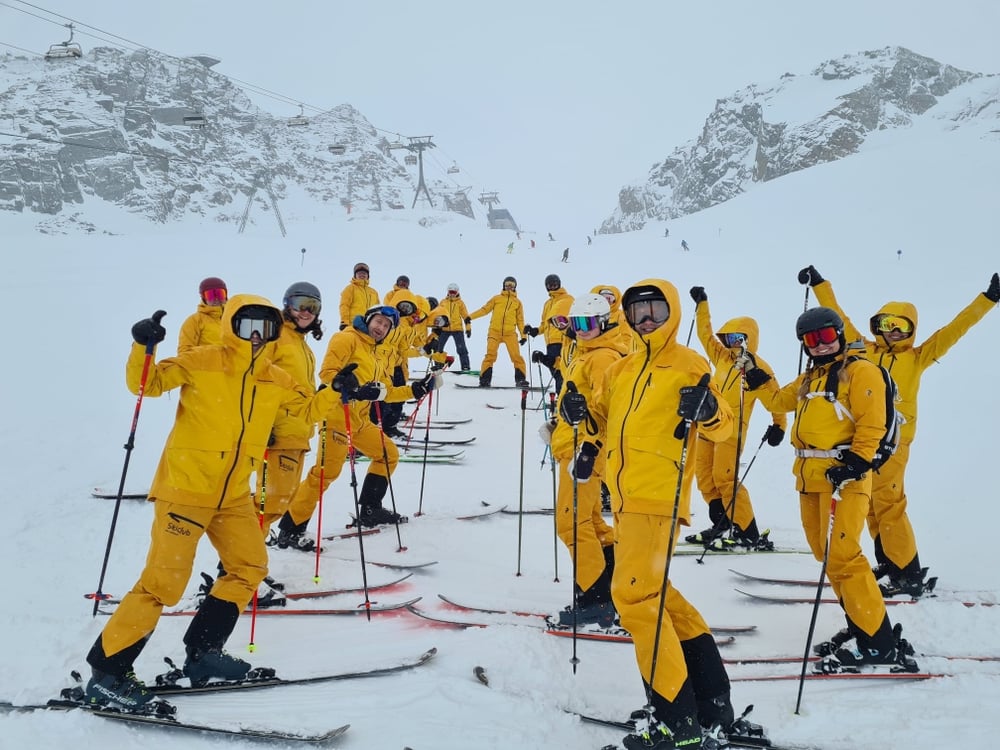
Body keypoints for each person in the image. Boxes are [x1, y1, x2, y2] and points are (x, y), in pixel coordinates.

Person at [84, 295, 341, 712]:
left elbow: (304, 411)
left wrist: (336, 393)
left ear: (275, 330)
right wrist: (143, 346)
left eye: (265, 327)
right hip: (186, 490)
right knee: (161, 584)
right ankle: (108, 673)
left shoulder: (276, 377)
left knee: (249, 566)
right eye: (246, 326)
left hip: (234, 495)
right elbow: (145, 384)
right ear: (230, 327)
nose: (256, 336)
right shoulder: (203, 360)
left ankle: (204, 652)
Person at [583, 279, 757, 750]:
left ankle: (675, 722)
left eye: (656, 310)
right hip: (623, 494)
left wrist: (708, 410)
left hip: (656, 494)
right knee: (660, 599)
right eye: (638, 312)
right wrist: (578, 408)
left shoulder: (687, 362)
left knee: (635, 601)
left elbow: (719, 423)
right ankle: (709, 704)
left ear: (672, 312)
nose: (646, 320)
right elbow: (600, 417)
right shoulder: (623, 368)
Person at [799, 266, 999, 595]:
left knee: (890, 504)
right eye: (885, 324)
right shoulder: (861, 350)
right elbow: (838, 317)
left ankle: (908, 572)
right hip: (863, 441)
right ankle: (890, 561)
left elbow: (955, 330)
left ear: (912, 330)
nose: (892, 331)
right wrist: (820, 284)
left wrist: (988, 299)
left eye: (900, 326)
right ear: (876, 326)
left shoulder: (918, 358)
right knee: (871, 506)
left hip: (895, 442)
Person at [743, 306, 920, 674]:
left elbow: (874, 421)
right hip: (810, 478)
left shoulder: (860, 371)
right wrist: (760, 380)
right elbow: (779, 402)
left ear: (839, 335)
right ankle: (861, 625)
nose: (819, 345)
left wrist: (857, 461)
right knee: (827, 556)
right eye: (811, 339)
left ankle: (878, 642)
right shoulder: (811, 379)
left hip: (846, 478)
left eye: (825, 336)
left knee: (844, 556)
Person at [275, 305, 441, 544]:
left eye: (386, 326)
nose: (381, 328)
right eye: (379, 322)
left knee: (387, 454)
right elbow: (328, 373)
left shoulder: (379, 353)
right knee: (325, 473)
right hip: (336, 415)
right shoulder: (346, 338)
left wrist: (415, 389)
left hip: (360, 420)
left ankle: (371, 510)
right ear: (369, 319)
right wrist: (354, 389)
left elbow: (385, 392)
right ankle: (291, 528)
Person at [544, 294, 628, 627]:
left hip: (583, 454)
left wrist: (589, 449)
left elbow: (606, 410)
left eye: (588, 324)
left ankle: (595, 598)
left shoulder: (602, 357)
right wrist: (559, 421)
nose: (581, 331)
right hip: (576, 448)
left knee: (571, 525)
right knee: (591, 522)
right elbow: (580, 405)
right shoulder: (587, 354)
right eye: (576, 324)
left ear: (604, 322)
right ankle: (609, 587)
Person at [685, 286, 787, 550]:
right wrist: (702, 305)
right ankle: (722, 524)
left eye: (739, 338)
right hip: (708, 425)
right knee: (705, 479)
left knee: (725, 479)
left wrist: (779, 424)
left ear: (749, 338)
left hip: (731, 431)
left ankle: (747, 530)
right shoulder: (721, 357)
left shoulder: (758, 367)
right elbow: (705, 335)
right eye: (729, 337)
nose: (733, 343)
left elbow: (774, 397)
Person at [256, 282, 324, 538]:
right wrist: (262, 424)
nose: (306, 312)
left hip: (298, 433)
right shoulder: (275, 335)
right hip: (278, 433)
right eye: (300, 305)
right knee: (268, 505)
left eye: (313, 307)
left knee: (279, 503)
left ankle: (245, 569)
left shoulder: (301, 344)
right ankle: (236, 571)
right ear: (287, 306)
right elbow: (256, 378)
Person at [468, 276, 529, 388]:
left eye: (512, 285)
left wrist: (523, 335)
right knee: (490, 356)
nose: (509, 287)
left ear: (515, 286)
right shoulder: (496, 298)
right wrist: (470, 317)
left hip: (510, 333)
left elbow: (520, 321)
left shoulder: (518, 302)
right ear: (503, 286)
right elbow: (484, 310)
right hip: (494, 332)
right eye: (507, 285)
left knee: (516, 356)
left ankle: (520, 380)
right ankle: (485, 380)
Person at [526, 274, 573, 393]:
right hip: (550, 342)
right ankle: (561, 397)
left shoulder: (567, 299)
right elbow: (545, 323)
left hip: (562, 340)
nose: (553, 287)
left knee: (560, 370)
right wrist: (535, 331)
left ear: (559, 284)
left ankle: (562, 398)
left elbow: (569, 319)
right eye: (550, 285)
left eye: (555, 284)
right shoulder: (547, 303)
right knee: (555, 371)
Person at [177, 277, 227, 353]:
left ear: (226, 295)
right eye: (210, 295)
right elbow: (184, 353)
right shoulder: (195, 321)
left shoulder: (234, 318)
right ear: (203, 298)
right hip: (207, 364)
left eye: (220, 294)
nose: (216, 299)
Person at [435, 283, 472, 372]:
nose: (452, 294)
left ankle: (465, 366)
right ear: (448, 292)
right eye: (450, 292)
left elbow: (466, 316)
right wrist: (436, 328)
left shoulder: (460, 303)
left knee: (461, 348)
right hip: (444, 329)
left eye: (454, 292)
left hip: (457, 329)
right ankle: (438, 365)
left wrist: (468, 328)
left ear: (457, 292)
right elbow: (437, 314)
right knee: (438, 348)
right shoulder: (443, 302)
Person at [338, 262, 379, 330]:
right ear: (355, 276)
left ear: (368, 276)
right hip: (353, 326)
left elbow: (377, 310)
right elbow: (344, 305)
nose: (362, 275)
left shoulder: (374, 292)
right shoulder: (350, 288)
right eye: (359, 273)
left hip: (369, 328)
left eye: (364, 273)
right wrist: (344, 322)